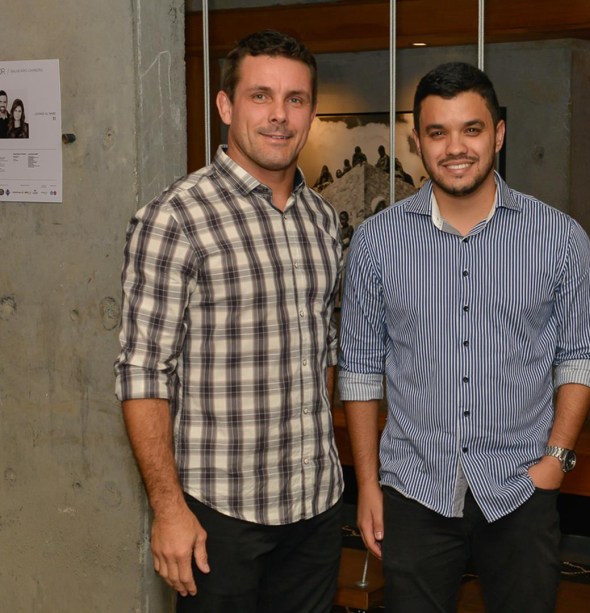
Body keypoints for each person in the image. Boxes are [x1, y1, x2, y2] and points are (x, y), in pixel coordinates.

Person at [339, 62, 590, 613]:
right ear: (417, 142)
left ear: (498, 134)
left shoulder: (560, 239)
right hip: (414, 491)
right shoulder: (375, 243)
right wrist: (367, 483)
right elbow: (360, 369)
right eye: (437, 132)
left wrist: (558, 459)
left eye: (472, 129)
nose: (455, 147)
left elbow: (578, 356)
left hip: (522, 488)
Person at [114, 30, 344, 613]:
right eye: (260, 96)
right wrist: (169, 510)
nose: (279, 115)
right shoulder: (175, 218)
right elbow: (143, 373)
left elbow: (326, 352)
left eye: (296, 99)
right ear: (225, 105)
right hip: (221, 517)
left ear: (311, 112)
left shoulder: (321, 219)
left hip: (315, 508)